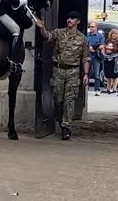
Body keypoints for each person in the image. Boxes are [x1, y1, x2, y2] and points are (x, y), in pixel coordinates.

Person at [35, 11, 91, 140]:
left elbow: (86, 58)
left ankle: (66, 127)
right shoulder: (59, 33)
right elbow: (47, 37)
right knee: (58, 99)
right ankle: (60, 119)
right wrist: (41, 27)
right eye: (68, 18)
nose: (69, 20)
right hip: (58, 70)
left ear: (78, 21)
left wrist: (86, 74)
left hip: (73, 71)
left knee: (69, 100)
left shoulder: (83, 39)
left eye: (72, 18)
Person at [99, 29, 118, 93]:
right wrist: (103, 52)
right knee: (108, 75)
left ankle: (114, 89)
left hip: (114, 60)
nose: (114, 35)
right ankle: (108, 89)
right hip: (107, 59)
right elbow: (104, 48)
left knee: (115, 75)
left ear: (117, 35)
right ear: (111, 34)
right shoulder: (107, 41)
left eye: (116, 34)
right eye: (113, 33)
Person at [87, 21, 104, 96]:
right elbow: (83, 44)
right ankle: (85, 89)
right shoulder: (87, 35)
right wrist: (89, 48)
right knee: (86, 73)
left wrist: (93, 47)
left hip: (96, 56)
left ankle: (97, 89)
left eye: (92, 26)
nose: (91, 28)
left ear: (96, 27)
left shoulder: (100, 36)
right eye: (90, 26)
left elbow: (102, 46)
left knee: (96, 74)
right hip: (87, 56)